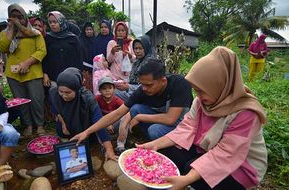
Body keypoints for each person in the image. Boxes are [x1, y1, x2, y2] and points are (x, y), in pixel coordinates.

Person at [137, 46, 268, 190]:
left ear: (219, 84)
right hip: (207, 149)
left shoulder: (246, 112)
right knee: (167, 152)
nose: (198, 96)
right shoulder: (202, 101)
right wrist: (155, 144)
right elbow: (185, 128)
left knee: (193, 172)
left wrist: (187, 179)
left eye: (201, 90)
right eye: (196, 90)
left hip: (240, 167)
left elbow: (226, 154)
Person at [71, 58, 193, 143]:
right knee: (136, 109)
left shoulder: (179, 84)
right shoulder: (143, 89)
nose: (144, 88)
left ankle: (166, 142)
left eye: (149, 85)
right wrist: (87, 132)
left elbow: (170, 119)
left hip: (183, 124)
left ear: (163, 81)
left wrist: (140, 118)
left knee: (154, 130)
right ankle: (151, 138)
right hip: (165, 119)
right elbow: (117, 113)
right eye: (142, 84)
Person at [0, 3, 47, 136]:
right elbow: (2, 48)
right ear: (9, 18)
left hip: (33, 73)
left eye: (20, 17)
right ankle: (28, 125)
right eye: (13, 17)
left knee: (36, 100)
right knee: (21, 101)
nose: (17, 19)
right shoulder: (4, 33)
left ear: (25, 17)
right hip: (14, 75)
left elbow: (42, 51)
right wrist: (12, 29)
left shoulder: (35, 33)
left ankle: (39, 125)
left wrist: (27, 63)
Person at [49, 67, 117, 161]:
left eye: (68, 92)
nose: (64, 95)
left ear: (77, 89)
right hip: (66, 126)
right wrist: (63, 123)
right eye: (61, 92)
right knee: (62, 133)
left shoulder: (87, 98)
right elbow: (54, 108)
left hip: (84, 127)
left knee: (88, 142)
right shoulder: (54, 93)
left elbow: (99, 121)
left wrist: (109, 149)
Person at [42, 11, 82, 88]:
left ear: (61, 21)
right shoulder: (48, 38)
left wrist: (79, 75)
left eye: (55, 22)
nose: (52, 24)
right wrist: (45, 74)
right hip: (53, 77)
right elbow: (45, 58)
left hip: (71, 76)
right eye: (50, 22)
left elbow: (79, 58)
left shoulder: (73, 38)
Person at [115, 35, 155, 101]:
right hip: (134, 92)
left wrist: (128, 87)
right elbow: (131, 80)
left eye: (140, 48)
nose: (137, 51)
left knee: (113, 94)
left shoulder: (151, 64)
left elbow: (148, 87)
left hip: (145, 95)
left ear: (146, 48)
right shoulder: (137, 62)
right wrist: (124, 83)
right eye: (135, 48)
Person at [80, 22, 96, 92]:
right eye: (87, 29)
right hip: (85, 70)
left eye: (90, 29)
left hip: (95, 70)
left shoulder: (96, 41)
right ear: (84, 31)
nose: (89, 31)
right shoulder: (80, 41)